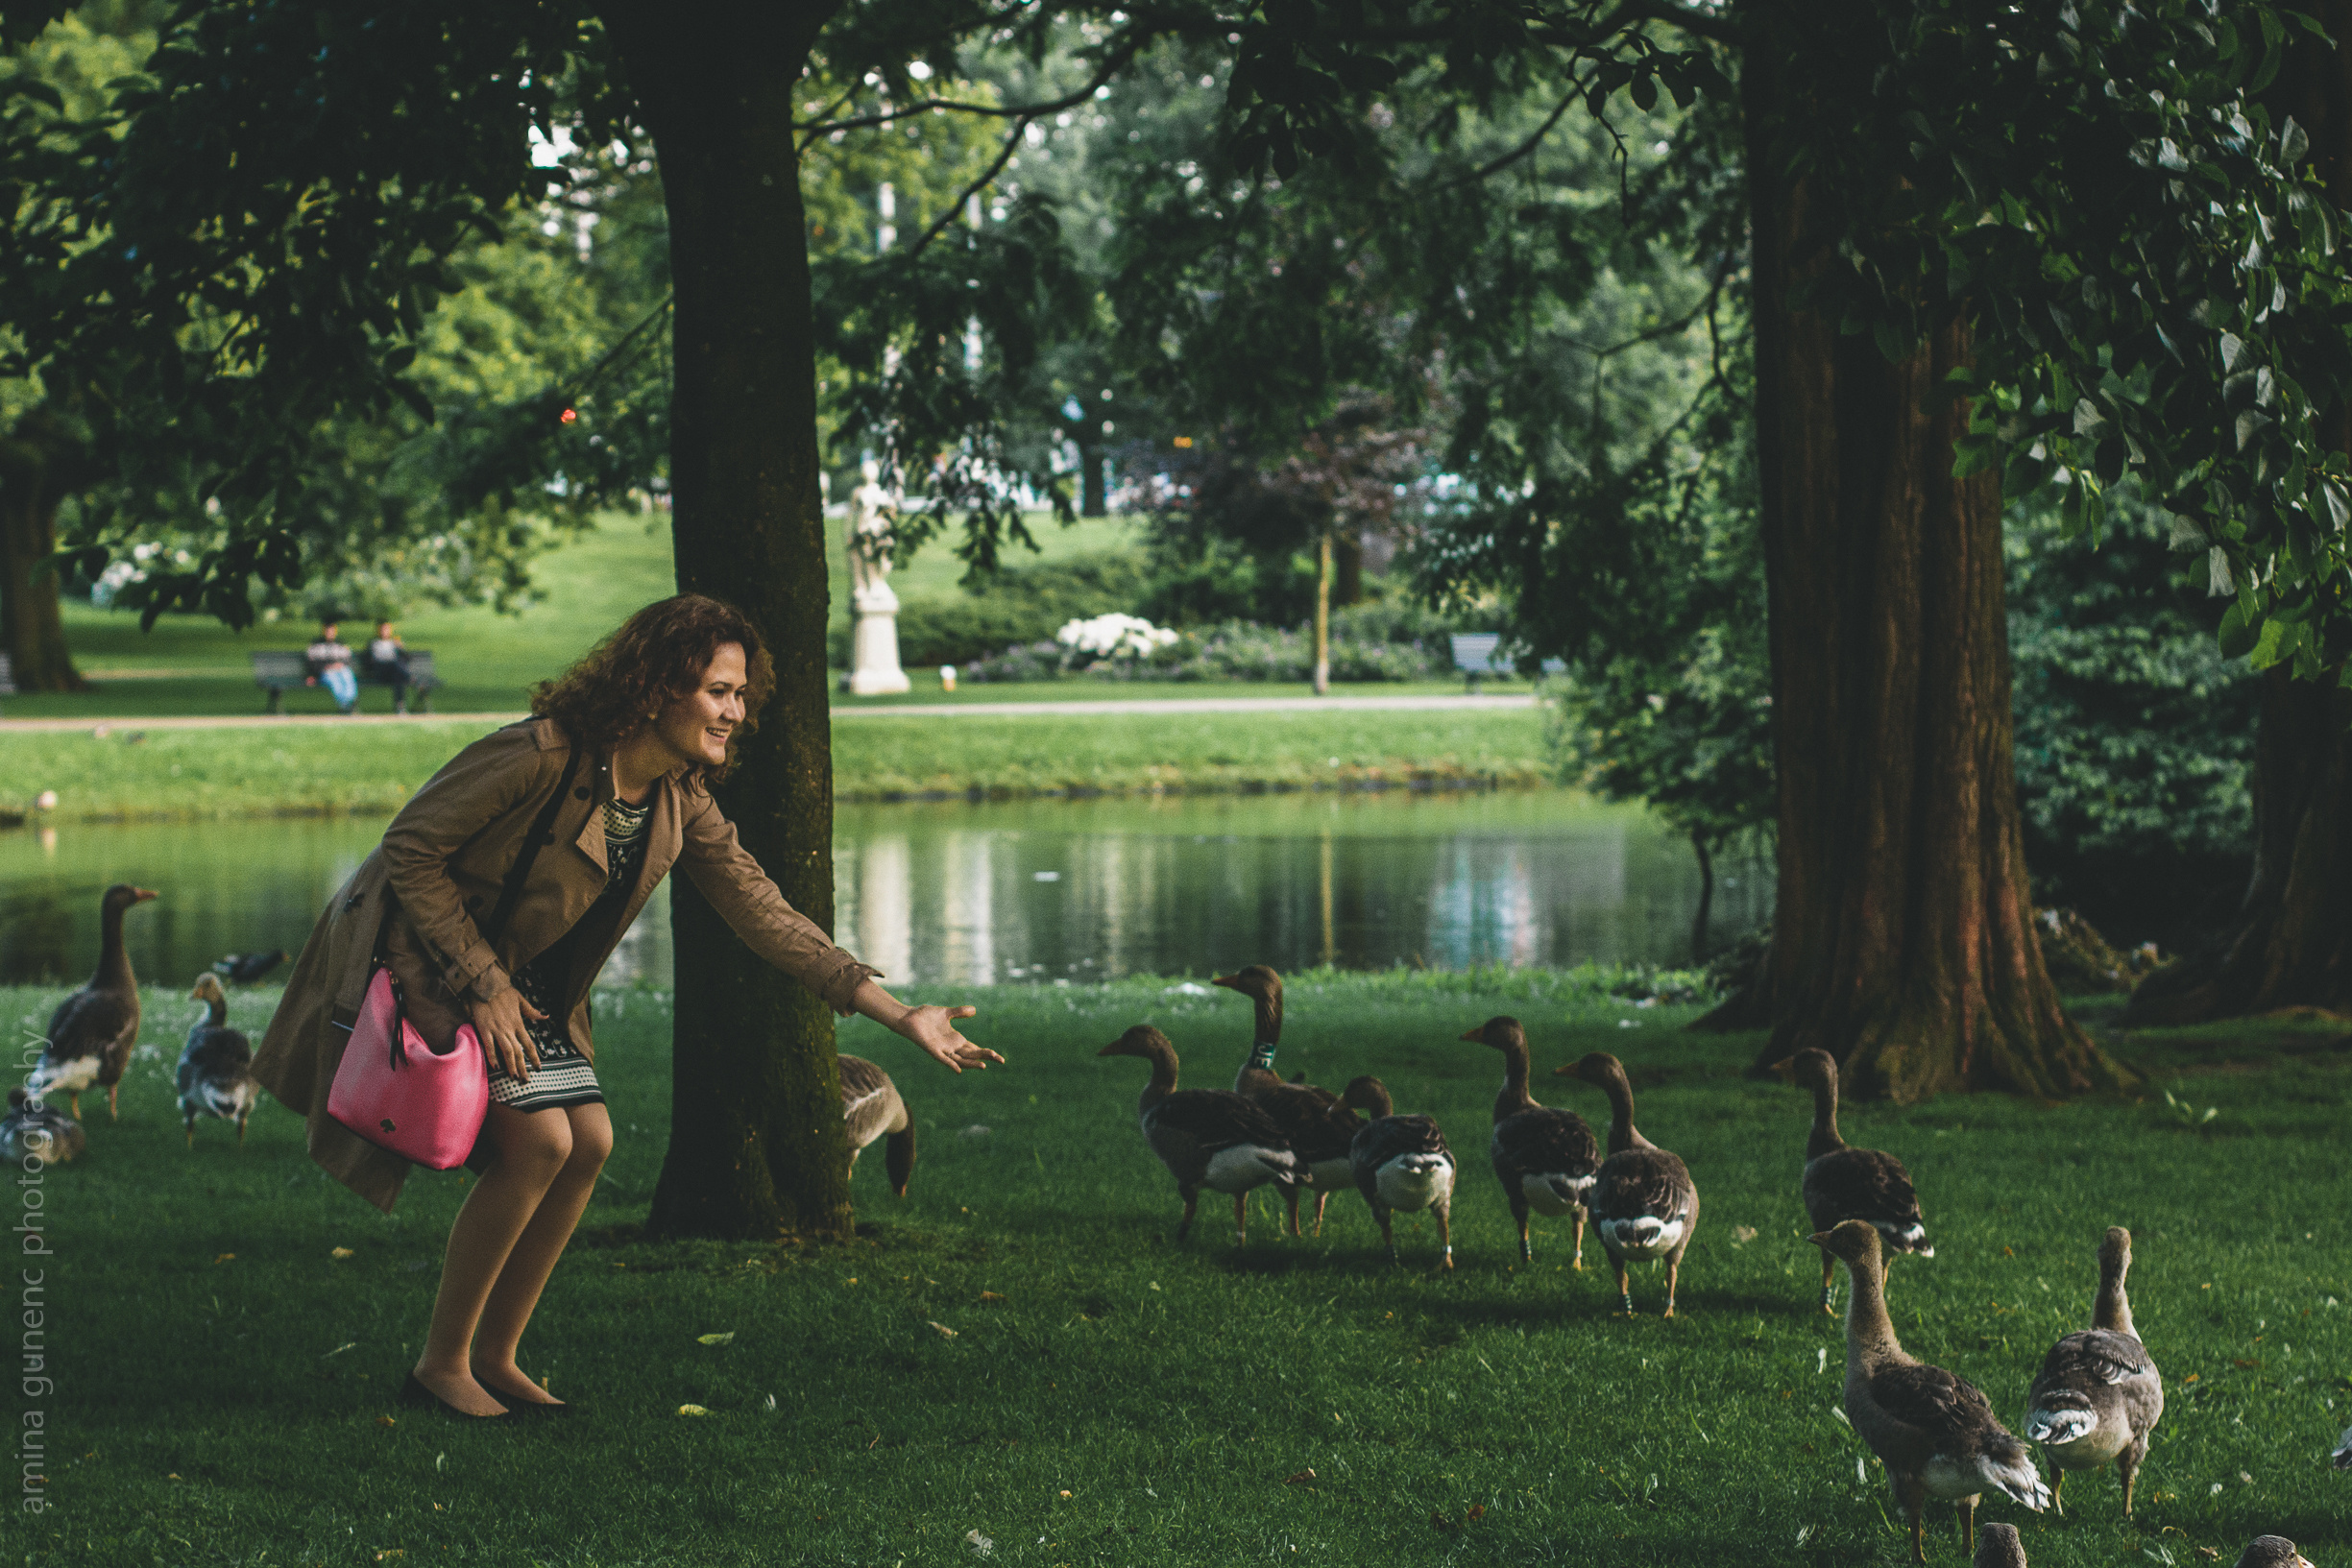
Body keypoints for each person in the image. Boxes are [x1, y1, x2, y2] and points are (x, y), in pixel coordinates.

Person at [251, 594, 1002, 1419]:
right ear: (655, 687)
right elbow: (411, 846)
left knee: (590, 1140)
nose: (736, 712)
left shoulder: (677, 796)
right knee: (538, 1141)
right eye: (720, 690)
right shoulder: (536, 755)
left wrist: (897, 1013)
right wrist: (485, 984)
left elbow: (763, 910)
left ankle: (496, 1357)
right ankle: (441, 1364)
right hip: (436, 957)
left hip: (524, 981)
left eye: (741, 694)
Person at [304, 619, 359, 713]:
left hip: (340, 670)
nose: (330, 633)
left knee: (347, 674)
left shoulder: (341, 644)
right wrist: (313, 674)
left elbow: (348, 659)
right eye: (328, 631)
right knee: (334, 679)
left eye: (332, 631)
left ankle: (351, 700)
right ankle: (344, 704)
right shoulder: (316, 645)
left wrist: (340, 665)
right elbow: (311, 663)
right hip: (325, 672)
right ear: (324, 631)